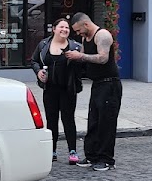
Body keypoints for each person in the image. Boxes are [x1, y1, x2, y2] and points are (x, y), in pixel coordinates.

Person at [67, 12, 122, 171]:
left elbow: (102, 58)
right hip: (97, 84)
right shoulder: (86, 38)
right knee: (94, 120)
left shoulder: (102, 35)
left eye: (78, 30)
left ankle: (106, 159)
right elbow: (84, 58)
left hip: (110, 84)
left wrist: (80, 56)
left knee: (106, 122)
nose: (78, 34)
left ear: (86, 24)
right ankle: (92, 155)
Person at [32, 18, 85, 164]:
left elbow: (83, 66)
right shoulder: (43, 45)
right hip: (50, 89)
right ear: (54, 29)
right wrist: (38, 72)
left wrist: (78, 59)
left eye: (67, 28)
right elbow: (34, 61)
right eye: (61, 27)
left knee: (68, 120)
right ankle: (52, 151)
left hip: (68, 89)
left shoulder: (75, 46)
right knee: (51, 120)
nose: (64, 30)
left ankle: (72, 151)